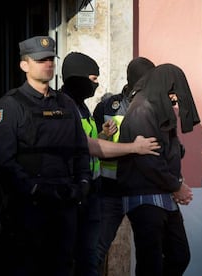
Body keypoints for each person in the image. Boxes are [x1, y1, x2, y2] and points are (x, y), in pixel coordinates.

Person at [0, 36, 91, 276]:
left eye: (50, 59)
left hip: (65, 204)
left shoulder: (66, 103)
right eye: (40, 60)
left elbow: (80, 149)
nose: (47, 64)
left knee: (63, 267)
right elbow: (3, 160)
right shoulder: (11, 106)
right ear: (24, 65)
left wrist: (84, 182)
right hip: (29, 209)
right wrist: (34, 190)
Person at [60, 52, 160, 276]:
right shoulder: (83, 107)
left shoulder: (82, 106)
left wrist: (104, 136)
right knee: (89, 254)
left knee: (146, 252)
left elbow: (93, 143)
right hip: (94, 192)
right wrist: (134, 147)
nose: (96, 84)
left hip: (126, 189)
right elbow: (90, 147)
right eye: (93, 79)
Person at [117, 63, 201, 276]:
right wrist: (177, 186)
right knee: (150, 263)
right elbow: (149, 160)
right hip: (145, 198)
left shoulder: (156, 108)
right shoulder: (142, 109)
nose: (175, 99)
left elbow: (166, 151)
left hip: (164, 196)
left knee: (179, 256)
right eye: (172, 92)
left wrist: (176, 182)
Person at [92, 56, 156, 274]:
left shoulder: (155, 106)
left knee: (148, 253)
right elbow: (94, 143)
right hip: (111, 191)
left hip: (142, 191)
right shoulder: (108, 106)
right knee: (97, 250)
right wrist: (104, 135)